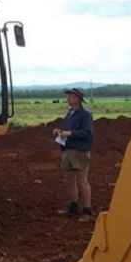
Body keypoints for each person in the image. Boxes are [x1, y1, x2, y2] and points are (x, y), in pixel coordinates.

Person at [53, 87, 94, 222]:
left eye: (70, 96)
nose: (68, 98)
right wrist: (60, 132)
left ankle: (87, 211)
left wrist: (70, 133)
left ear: (78, 99)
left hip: (80, 151)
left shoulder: (85, 115)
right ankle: (73, 207)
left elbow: (87, 132)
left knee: (82, 181)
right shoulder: (70, 114)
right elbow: (68, 131)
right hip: (68, 150)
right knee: (69, 181)